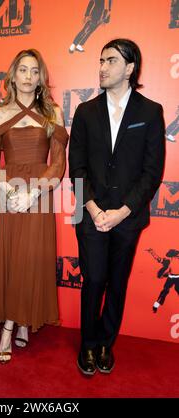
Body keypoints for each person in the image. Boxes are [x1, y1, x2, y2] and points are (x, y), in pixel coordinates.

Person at [69, 39, 165, 375]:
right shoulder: (84, 111)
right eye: (100, 60)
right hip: (91, 214)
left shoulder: (150, 112)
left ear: (130, 68)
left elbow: (153, 172)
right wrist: (94, 209)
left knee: (117, 282)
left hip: (128, 217)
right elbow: (76, 167)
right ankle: (88, 344)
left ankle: (106, 343)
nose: (102, 67)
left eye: (110, 61)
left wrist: (123, 211)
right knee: (94, 280)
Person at [0, 49, 68, 364]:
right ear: (13, 75)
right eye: (23, 70)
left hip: (40, 193)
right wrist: (7, 188)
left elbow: (58, 162)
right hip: (8, 192)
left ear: (41, 77)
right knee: (11, 256)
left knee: (31, 258)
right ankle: (12, 324)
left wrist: (32, 194)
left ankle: (18, 322)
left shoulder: (53, 113)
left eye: (35, 71)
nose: (29, 76)